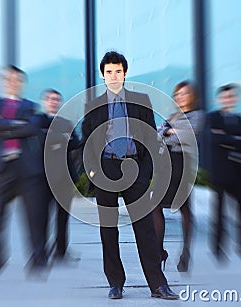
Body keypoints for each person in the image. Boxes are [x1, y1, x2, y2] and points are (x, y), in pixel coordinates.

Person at [81, 51, 178, 300]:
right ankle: (115, 282)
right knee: (109, 229)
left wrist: (146, 173)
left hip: (135, 169)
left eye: (118, 71)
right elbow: (87, 143)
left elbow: (150, 138)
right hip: (105, 170)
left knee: (145, 229)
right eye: (109, 72)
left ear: (125, 73)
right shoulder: (93, 105)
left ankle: (158, 284)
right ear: (103, 76)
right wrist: (93, 171)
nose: (114, 76)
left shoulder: (141, 100)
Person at [0, 65, 45, 279]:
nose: (12, 83)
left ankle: (37, 259)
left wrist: (2, 127)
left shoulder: (31, 106)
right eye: (9, 79)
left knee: (32, 217)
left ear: (22, 83)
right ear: (3, 81)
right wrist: (15, 125)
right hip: (1, 167)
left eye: (17, 79)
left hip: (25, 167)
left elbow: (31, 129)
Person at [153, 80, 204, 272]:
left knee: (185, 209)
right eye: (178, 94)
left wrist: (167, 132)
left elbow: (185, 136)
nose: (180, 97)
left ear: (193, 95)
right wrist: (168, 131)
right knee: (155, 207)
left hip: (183, 164)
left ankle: (186, 253)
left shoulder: (198, 116)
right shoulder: (173, 116)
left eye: (184, 93)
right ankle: (159, 252)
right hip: (166, 165)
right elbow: (158, 135)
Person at [207, 83, 241, 263]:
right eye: (225, 96)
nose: (229, 99)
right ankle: (218, 249)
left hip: (239, 173)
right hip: (221, 174)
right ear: (219, 99)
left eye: (232, 96)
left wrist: (227, 139)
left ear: (236, 98)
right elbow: (214, 139)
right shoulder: (212, 118)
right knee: (219, 212)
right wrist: (235, 139)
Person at [33, 88, 80, 264]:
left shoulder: (65, 122)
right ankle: (42, 252)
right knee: (43, 216)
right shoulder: (37, 120)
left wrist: (53, 136)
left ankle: (61, 251)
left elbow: (75, 142)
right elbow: (40, 140)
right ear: (44, 101)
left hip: (64, 176)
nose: (54, 102)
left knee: (62, 217)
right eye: (50, 99)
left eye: (57, 99)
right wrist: (61, 138)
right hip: (44, 176)